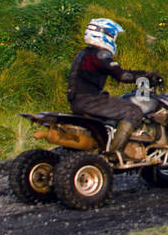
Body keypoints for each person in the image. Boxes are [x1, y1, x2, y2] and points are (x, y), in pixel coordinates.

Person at [67, 18, 162, 160]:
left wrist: (141, 74)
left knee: (118, 106)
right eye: (113, 36)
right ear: (104, 35)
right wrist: (146, 75)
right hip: (90, 100)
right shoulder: (100, 54)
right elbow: (123, 76)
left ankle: (108, 142)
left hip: (78, 101)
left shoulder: (84, 54)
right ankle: (115, 154)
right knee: (134, 111)